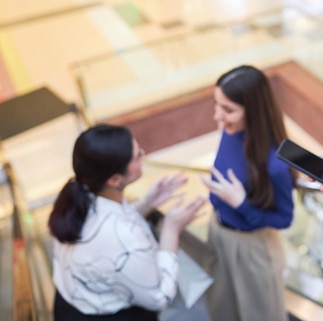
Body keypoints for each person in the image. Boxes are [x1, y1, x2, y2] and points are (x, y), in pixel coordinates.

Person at [48, 124, 207, 321]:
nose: (143, 152)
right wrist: (171, 230)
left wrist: (148, 203)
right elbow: (160, 296)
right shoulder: (124, 238)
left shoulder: (80, 194)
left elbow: (104, 232)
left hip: (73, 303)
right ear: (115, 180)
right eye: (136, 156)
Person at [200, 65, 297, 321]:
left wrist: (241, 203)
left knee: (259, 314)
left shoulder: (276, 164)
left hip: (252, 246)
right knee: (222, 309)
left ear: (253, 112)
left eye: (228, 110)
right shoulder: (229, 132)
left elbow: (285, 219)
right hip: (218, 232)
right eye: (217, 105)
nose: (217, 116)